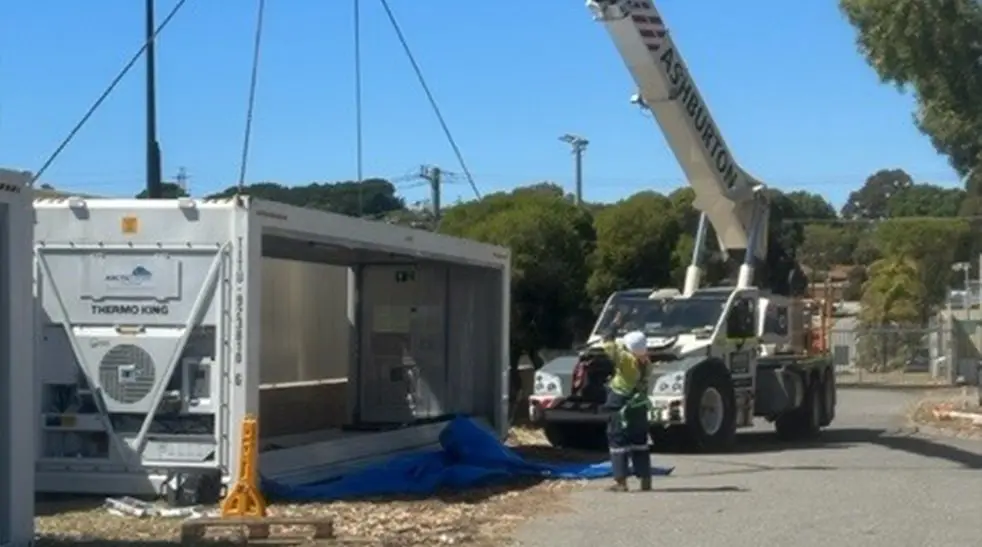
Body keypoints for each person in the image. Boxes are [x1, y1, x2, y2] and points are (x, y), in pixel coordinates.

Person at [602, 330, 653, 492]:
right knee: (640, 442)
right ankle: (645, 478)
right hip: (638, 405)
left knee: (618, 441)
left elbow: (608, 345)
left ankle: (621, 482)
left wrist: (613, 327)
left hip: (620, 404)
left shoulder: (626, 361)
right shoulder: (646, 363)